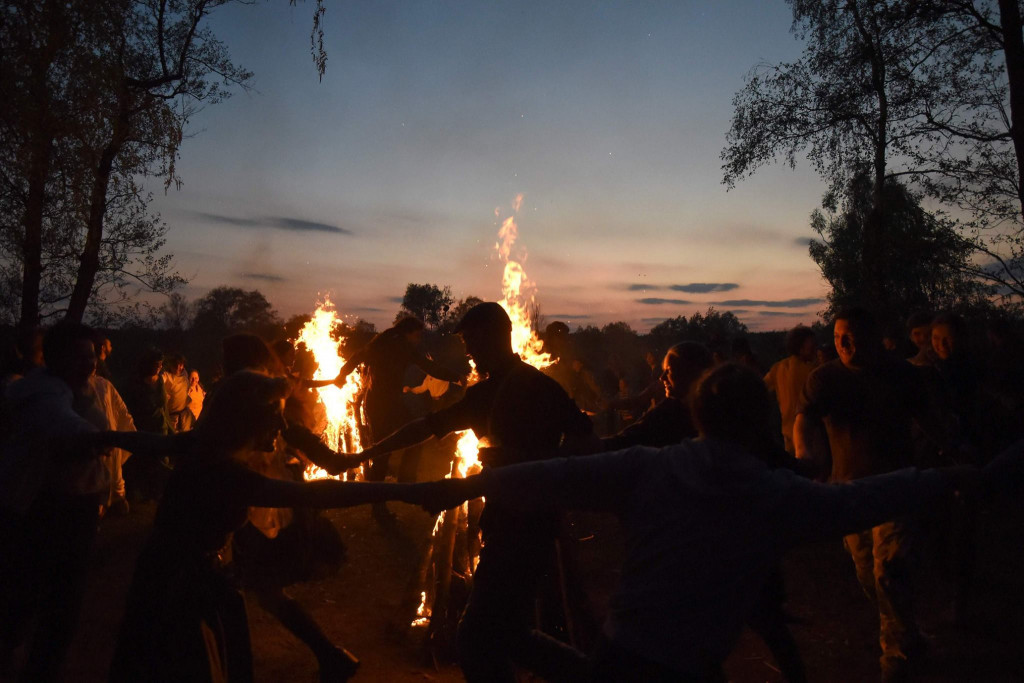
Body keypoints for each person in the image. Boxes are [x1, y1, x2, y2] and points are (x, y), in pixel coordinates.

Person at [416, 363, 983, 682]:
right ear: (759, 421)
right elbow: (860, 501)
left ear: (698, 415)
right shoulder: (774, 494)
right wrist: (946, 477)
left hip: (622, 660)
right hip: (692, 670)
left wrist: (466, 485)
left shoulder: (650, 470)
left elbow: (555, 475)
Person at [105, 371, 440, 683]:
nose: (282, 424)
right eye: (275, 415)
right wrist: (408, 491)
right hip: (179, 590)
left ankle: (328, 656)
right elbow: (321, 494)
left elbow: (151, 443)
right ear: (247, 420)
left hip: (185, 576)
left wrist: (99, 436)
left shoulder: (206, 447)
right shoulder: (224, 472)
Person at [346, 302, 596, 682]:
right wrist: (363, 455)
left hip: (526, 526)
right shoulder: (488, 394)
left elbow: (585, 440)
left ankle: (595, 673)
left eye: (473, 341)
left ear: (497, 337)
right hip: (506, 522)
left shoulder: (536, 387)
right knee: (507, 633)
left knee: (476, 637)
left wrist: (524, 458)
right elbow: (426, 427)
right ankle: (594, 673)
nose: (469, 352)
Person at [793, 307, 954, 682]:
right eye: (836, 337)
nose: (843, 344)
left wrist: (951, 450)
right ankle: (906, 633)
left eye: (849, 336)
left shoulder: (902, 375)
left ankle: (894, 657)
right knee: (867, 573)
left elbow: (928, 419)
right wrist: (805, 456)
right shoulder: (824, 378)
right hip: (847, 493)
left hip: (896, 488)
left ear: (871, 336)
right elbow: (805, 418)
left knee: (890, 570)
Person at [0, 322, 112, 682]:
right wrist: (111, 440)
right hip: (42, 509)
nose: (88, 364)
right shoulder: (41, 392)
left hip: (80, 509)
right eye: (78, 357)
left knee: (65, 605)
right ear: (53, 359)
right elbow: (68, 426)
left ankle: (41, 669)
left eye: (92, 356)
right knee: (25, 597)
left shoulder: (95, 389)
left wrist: (111, 490)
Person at [336, 316, 463, 520]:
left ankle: (404, 482)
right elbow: (429, 367)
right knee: (383, 452)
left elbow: (357, 356)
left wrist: (342, 374)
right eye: (418, 335)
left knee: (413, 435)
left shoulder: (381, 341)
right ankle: (381, 503)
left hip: (382, 402)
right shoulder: (401, 346)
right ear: (409, 332)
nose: (419, 339)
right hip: (383, 405)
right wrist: (457, 376)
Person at [602, 342, 712, 451]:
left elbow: (638, 403)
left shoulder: (670, 412)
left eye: (669, 371)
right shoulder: (667, 407)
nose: (662, 377)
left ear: (690, 372)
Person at [764, 325, 818, 455]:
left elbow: (760, 388)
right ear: (800, 347)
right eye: (812, 345)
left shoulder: (777, 368)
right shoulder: (814, 371)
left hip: (787, 434)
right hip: (811, 434)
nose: (816, 349)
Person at [163, 353, 190, 432]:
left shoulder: (184, 374)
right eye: (176, 365)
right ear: (171, 365)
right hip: (173, 418)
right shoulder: (167, 376)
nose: (179, 367)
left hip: (185, 415)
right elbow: (159, 380)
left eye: (181, 365)